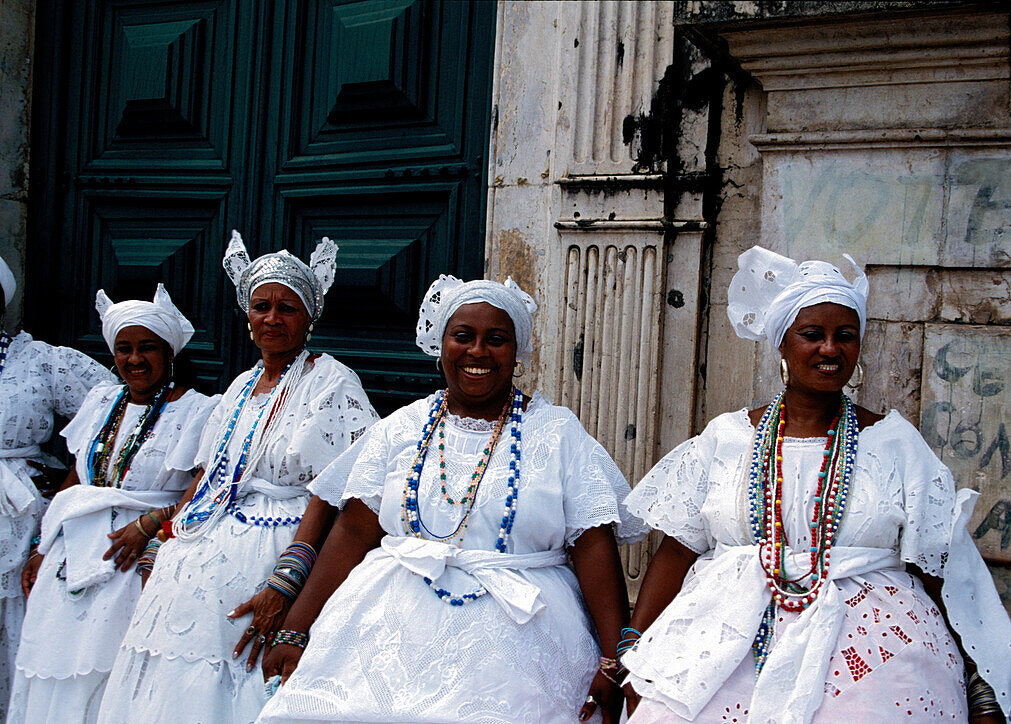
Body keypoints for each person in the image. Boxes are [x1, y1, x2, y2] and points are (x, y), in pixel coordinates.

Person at [620, 246, 1011, 723]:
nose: (830, 348)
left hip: (876, 656)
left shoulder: (893, 442)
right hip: (722, 645)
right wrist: (632, 654)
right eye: (813, 334)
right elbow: (678, 550)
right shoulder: (726, 438)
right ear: (782, 344)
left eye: (845, 336)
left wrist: (982, 684)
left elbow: (943, 568)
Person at [257, 275, 647, 724]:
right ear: (440, 346)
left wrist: (612, 659)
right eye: (463, 337)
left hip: (520, 642)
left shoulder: (558, 434)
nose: (478, 352)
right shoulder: (400, 428)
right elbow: (352, 531)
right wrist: (296, 626)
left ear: (517, 353)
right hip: (384, 634)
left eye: (496, 340)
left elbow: (593, 547)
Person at [96, 231, 379, 723]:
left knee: (242, 677)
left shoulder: (332, 380)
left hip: (276, 549)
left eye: (287, 308)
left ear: (310, 316)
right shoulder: (241, 386)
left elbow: (330, 492)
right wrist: (163, 539)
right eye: (261, 306)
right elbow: (208, 477)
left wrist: (288, 580)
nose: (272, 318)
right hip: (203, 548)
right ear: (246, 316)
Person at [8, 284, 218, 722]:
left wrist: (149, 526)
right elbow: (76, 479)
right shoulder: (101, 401)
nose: (135, 360)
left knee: (112, 673)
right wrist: (41, 548)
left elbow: (204, 488)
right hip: (72, 550)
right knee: (55, 667)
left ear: (169, 353)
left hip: (137, 558)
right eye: (124, 349)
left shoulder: (199, 411)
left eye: (147, 348)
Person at [0, 255, 113, 716]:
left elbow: (116, 408)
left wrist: (70, 474)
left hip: (18, 512)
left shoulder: (40, 361)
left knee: (16, 618)